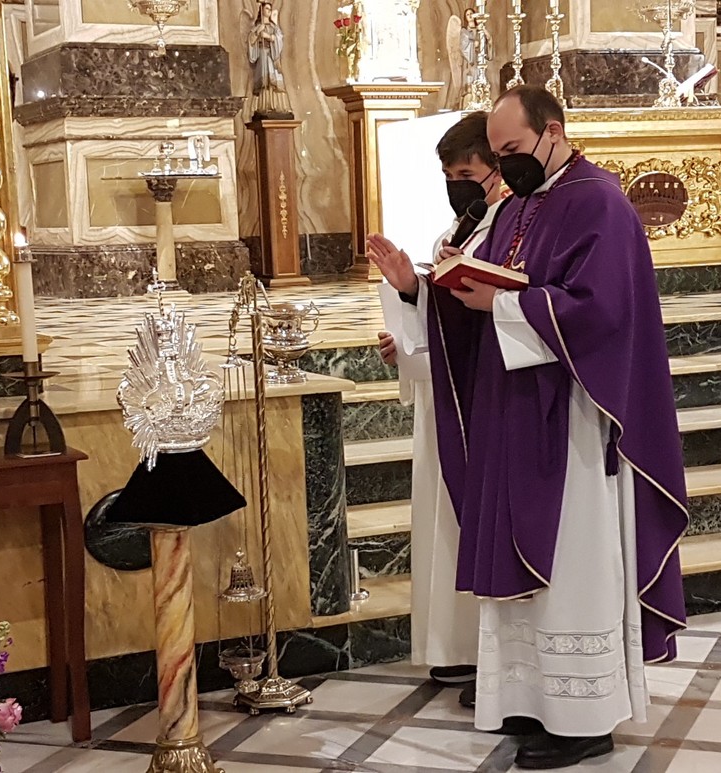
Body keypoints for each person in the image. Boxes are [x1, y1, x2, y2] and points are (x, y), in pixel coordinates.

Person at [368, 85, 688, 769]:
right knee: (523, 562)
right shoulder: (525, 204)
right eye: (502, 152)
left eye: (512, 150)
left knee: (569, 566)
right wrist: (420, 294)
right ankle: (532, 699)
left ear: (553, 131)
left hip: (572, 418)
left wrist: (506, 307)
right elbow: (489, 288)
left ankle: (584, 717)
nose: (506, 165)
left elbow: (601, 311)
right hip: (520, 409)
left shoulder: (598, 200)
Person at [373, 111, 502, 704]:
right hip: (447, 393)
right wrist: (409, 300)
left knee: (466, 519)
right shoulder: (460, 229)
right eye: (449, 174)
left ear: (498, 167)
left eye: (466, 172)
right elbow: (443, 312)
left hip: (484, 397)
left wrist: (422, 303)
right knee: (441, 518)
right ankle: (453, 648)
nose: (457, 184)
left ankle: (483, 653)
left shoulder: (510, 223)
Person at [247, 2, 292, 119]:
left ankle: (277, 105)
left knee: (274, 80)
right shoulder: (258, 27)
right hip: (262, 55)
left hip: (271, 56)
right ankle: (264, 105)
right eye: (266, 9)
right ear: (261, 11)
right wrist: (258, 33)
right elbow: (251, 42)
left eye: (269, 9)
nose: (268, 11)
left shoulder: (274, 27)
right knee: (264, 80)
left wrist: (269, 37)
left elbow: (279, 39)